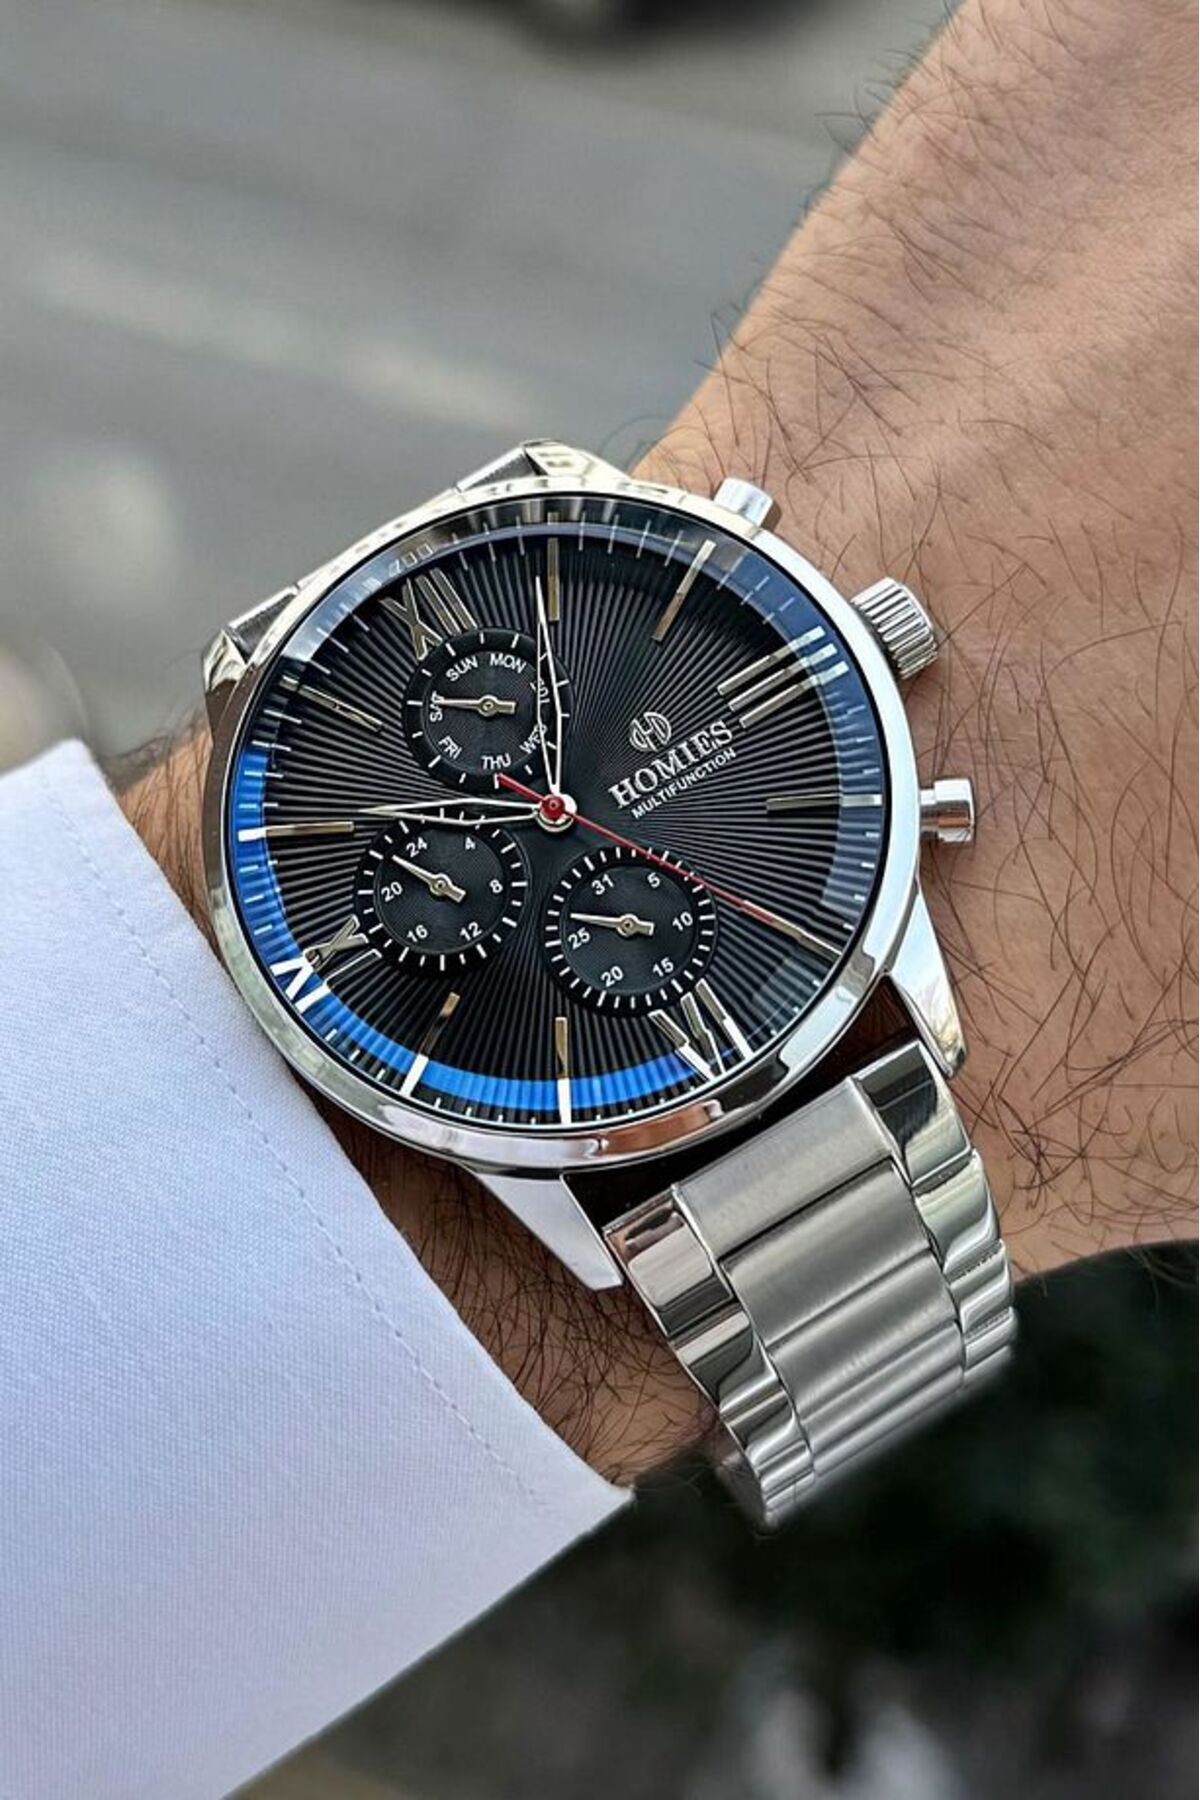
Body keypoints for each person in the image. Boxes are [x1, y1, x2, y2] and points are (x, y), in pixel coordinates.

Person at [0, 0, 1194, 1793]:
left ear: (880, 650)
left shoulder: (796, 723)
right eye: (520, 795)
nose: (550, 810)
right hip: (575, 1086)